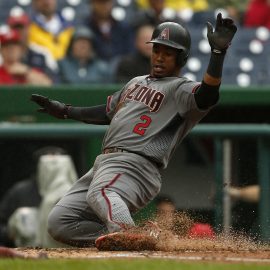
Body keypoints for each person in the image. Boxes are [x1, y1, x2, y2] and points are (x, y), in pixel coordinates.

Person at [30, 13, 237, 250]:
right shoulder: (135, 82)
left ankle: (127, 236)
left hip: (137, 165)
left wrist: (218, 55)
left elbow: (207, 95)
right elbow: (106, 113)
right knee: (61, 222)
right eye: (156, 50)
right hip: (105, 163)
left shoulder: (180, 89)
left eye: (167, 53)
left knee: (103, 191)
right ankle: (139, 237)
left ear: (181, 58)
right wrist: (66, 111)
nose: (159, 57)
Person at [0, 146, 68, 247]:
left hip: (65, 253)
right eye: (49, 165)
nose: (53, 170)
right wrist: (11, 232)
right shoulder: (20, 191)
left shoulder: (73, 191)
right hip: (25, 254)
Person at [7, 12, 58, 82]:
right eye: (15, 28)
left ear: (28, 29)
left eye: (21, 28)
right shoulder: (2, 55)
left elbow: (54, 82)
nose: (18, 31)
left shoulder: (42, 52)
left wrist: (27, 72)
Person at [82, 0, 134, 65]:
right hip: (93, 70)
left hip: (121, 69)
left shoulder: (123, 27)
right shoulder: (84, 28)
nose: (105, 6)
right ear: (92, 4)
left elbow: (130, 52)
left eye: (108, 2)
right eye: (101, 3)